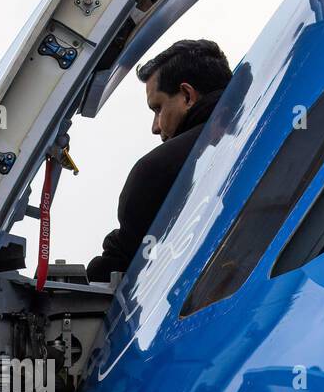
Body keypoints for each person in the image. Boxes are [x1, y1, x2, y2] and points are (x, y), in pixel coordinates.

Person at [87, 39, 232, 282]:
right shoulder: (266, 128)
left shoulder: (158, 169)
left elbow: (128, 255)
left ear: (187, 95)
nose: (155, 127)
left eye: (157, 109)